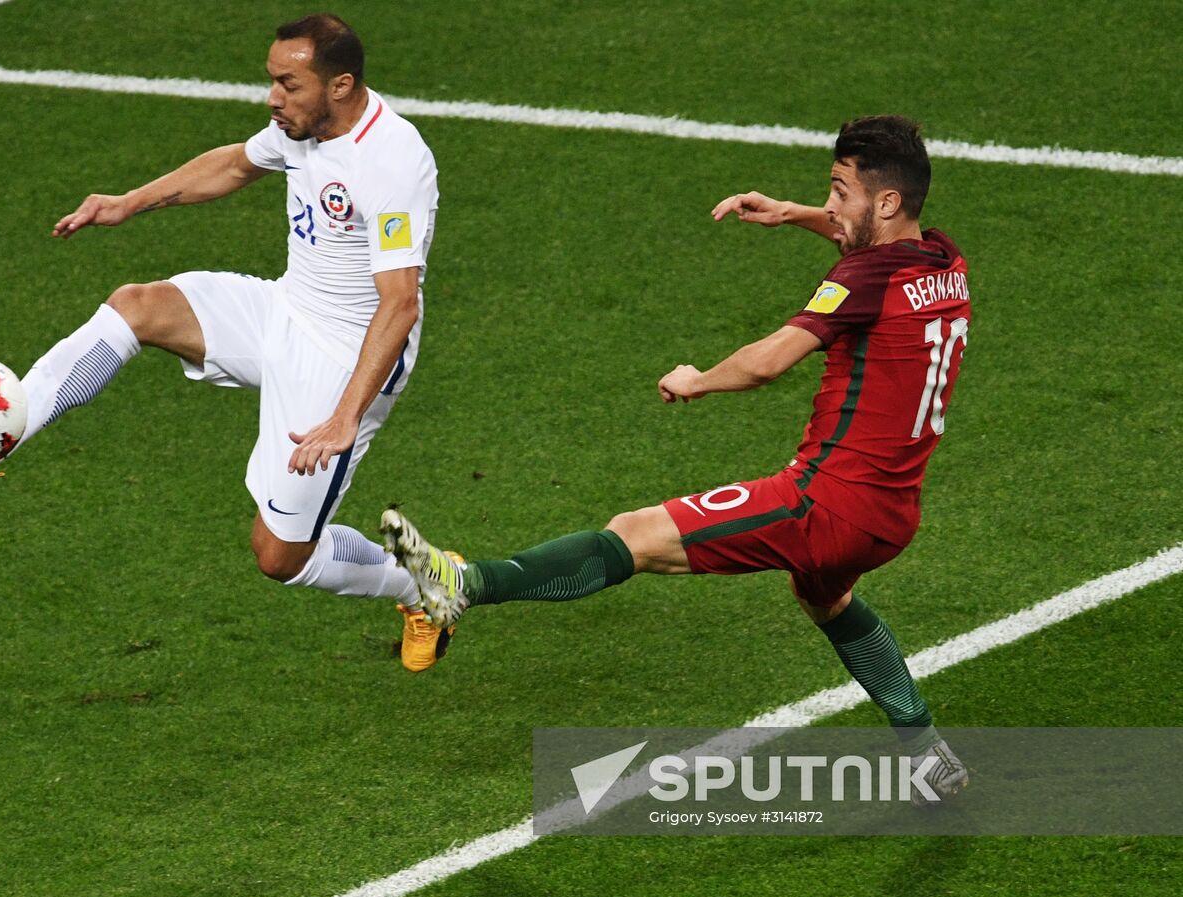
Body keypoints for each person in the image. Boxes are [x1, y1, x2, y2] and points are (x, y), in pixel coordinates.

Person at [383, 115, 973, 798]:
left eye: (840, 193)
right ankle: (927, 751)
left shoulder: (864, 276)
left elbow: (771, 361)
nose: (833, 207)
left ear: (887, 201)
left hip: (825, 504)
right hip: (892, 512)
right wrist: (795, 215)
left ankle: (464, 587)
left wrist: (700, 378)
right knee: (826, 595)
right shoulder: (943, 260)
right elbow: (873, 251)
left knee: (634, 533)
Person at [0, 14, 445, 670]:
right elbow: (236, 165)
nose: (273, 97)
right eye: (272, 80)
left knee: (279, 556)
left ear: (341, 85)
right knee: (138, 307)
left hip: (346, 362)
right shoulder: (305, 125)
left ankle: (426, 585)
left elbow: (399, 303)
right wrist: (131, 201)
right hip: (285, 310)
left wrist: (345, 416)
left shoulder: (390, 162)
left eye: (287, 84)